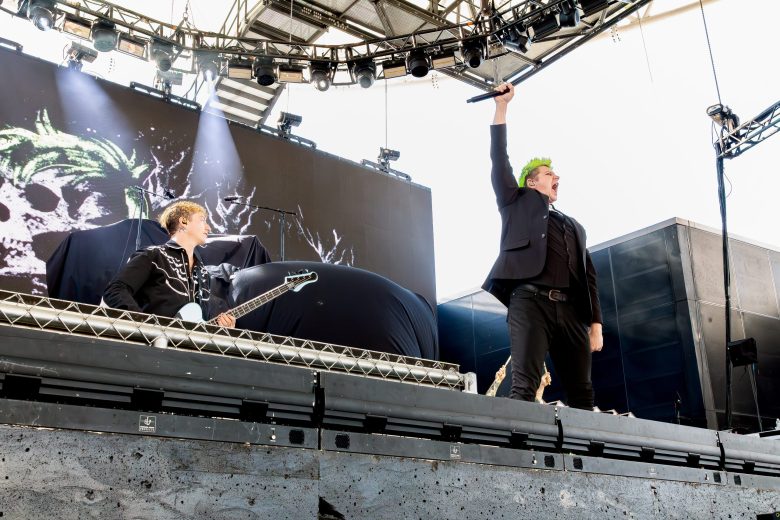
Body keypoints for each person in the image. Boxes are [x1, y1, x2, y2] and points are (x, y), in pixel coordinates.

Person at [481, 83, 603, 410]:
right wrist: (502, 107)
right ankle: (516, 441)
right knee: (525, 384)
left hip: (570, 310)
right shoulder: (515, 201)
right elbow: (499, 159)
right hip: (530, 302)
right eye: (549, 173)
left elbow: (589, 278)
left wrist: (595, 325)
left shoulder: (574, 226)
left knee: (583, 392)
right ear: (532, 182)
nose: (555, 176)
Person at [103, 200, 236, 327]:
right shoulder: (154, 255)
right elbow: (115, 290)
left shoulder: (203, 273)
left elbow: (203, 323)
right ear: (183, 221)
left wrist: (220, 327)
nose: (208, 227)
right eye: (202, 220)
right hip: (152, 341)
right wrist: (143, 326)